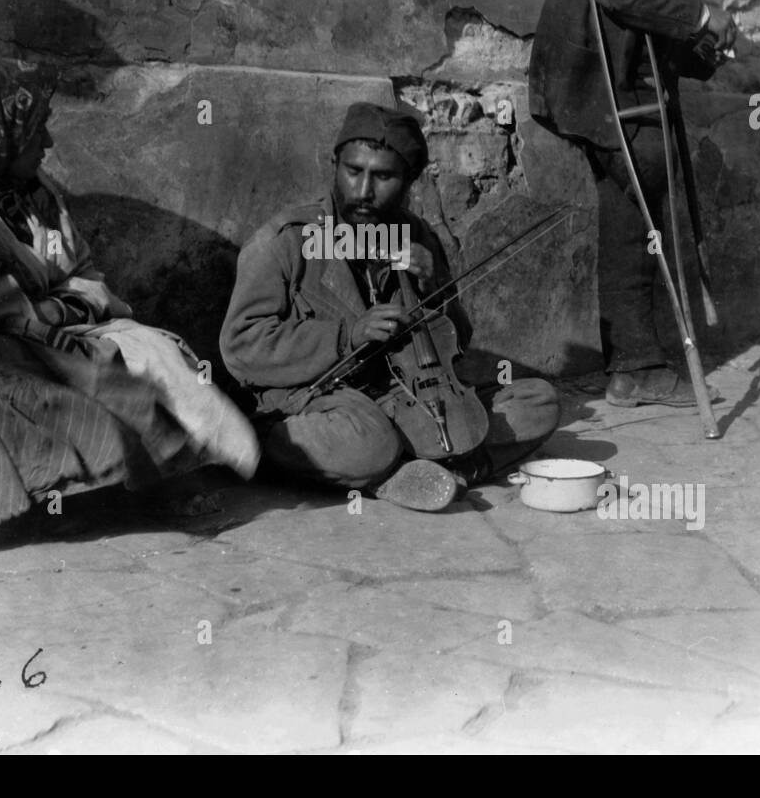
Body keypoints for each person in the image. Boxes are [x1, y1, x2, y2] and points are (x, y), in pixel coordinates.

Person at [0, 58, 259, 566]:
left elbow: (83, 273)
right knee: (28, 393)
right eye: (37, 129)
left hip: (50, 328)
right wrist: (47, 313)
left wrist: (56, 310)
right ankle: (66, 498)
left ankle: (135, 485)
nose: (48, 144)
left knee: (155, 350)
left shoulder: (38, 193)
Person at [220, 102, 560, 513]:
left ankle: (426, 469)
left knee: (537, 400)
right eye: (353, 171)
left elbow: (455, 345)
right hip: (327, 402)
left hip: (408, 397)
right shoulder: (287, 240)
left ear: (409, 181)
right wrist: (347, 337)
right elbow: (240, 346)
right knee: (369, 443)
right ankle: (409, 465)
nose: (363, 191)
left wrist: (433, 285)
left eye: (383, 177)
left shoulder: (416, 235)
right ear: (334, 165)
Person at [528, 0, 736, 409]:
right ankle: (635, 364)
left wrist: (701, 51)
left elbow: (650, 18)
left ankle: (630, 366)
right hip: (591, 89)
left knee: (635, 207)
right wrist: (700, 14)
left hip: (625, 89)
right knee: (641, 191)